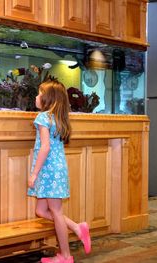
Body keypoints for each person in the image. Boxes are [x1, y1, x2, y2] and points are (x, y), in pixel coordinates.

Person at [28, 80, 91, 263]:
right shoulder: (57, 118)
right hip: (56, 169)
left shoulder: (42, 118)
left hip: (49, 170)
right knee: (41, 210)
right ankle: (78, 228)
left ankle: (65, 256)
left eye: (40, 94)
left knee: (56, 212)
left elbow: (45, 147)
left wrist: (34, 173)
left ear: (48, 99)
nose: (36, 96)